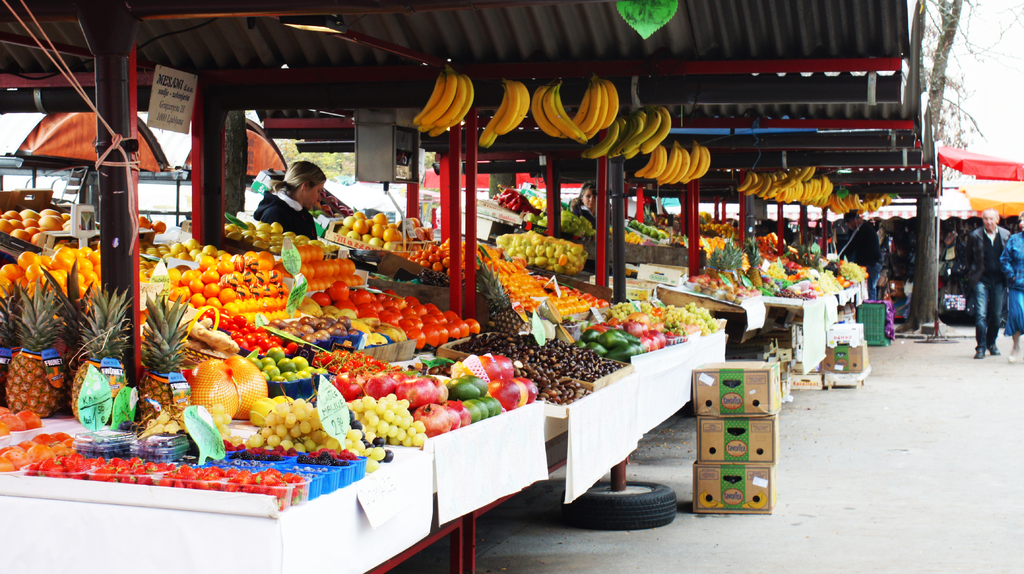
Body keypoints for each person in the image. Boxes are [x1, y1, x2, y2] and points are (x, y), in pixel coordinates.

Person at [966, 208, 1010, 359]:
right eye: (986, 219)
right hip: (981, 280)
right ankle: (981, 347)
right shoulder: (974, 235)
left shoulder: (1005, 235)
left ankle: (992, 342)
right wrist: (973, 274)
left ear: (997, 219)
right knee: (980, 314)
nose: (988, 222)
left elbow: (1008, 257)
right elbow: (969, 258)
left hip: (999, 280)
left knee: (996, 315)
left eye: (991, 219)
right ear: (982, 220)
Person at [253, 161, 325, 238]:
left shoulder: (305, 216)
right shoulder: (275, 215)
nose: (319, 198)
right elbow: (282, 248)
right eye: (318, 191)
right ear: (305, 186)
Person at [840, 212, 883, 300]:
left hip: (871, 264)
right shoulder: (863, 229)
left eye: (848, 224)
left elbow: (850, 246)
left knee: (869, 289)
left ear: (853, 220)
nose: (848, 226)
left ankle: (871, 310)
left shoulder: (861, 230)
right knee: (869, 289)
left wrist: (839, 257)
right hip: (871, 263)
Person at [999, 212, 1024, 362]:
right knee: (1016, 315)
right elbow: (1004, 259)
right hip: (1017, 284)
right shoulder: (1014, 240)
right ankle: (1016, 346)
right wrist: (1011, 275)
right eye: (1022, 220)